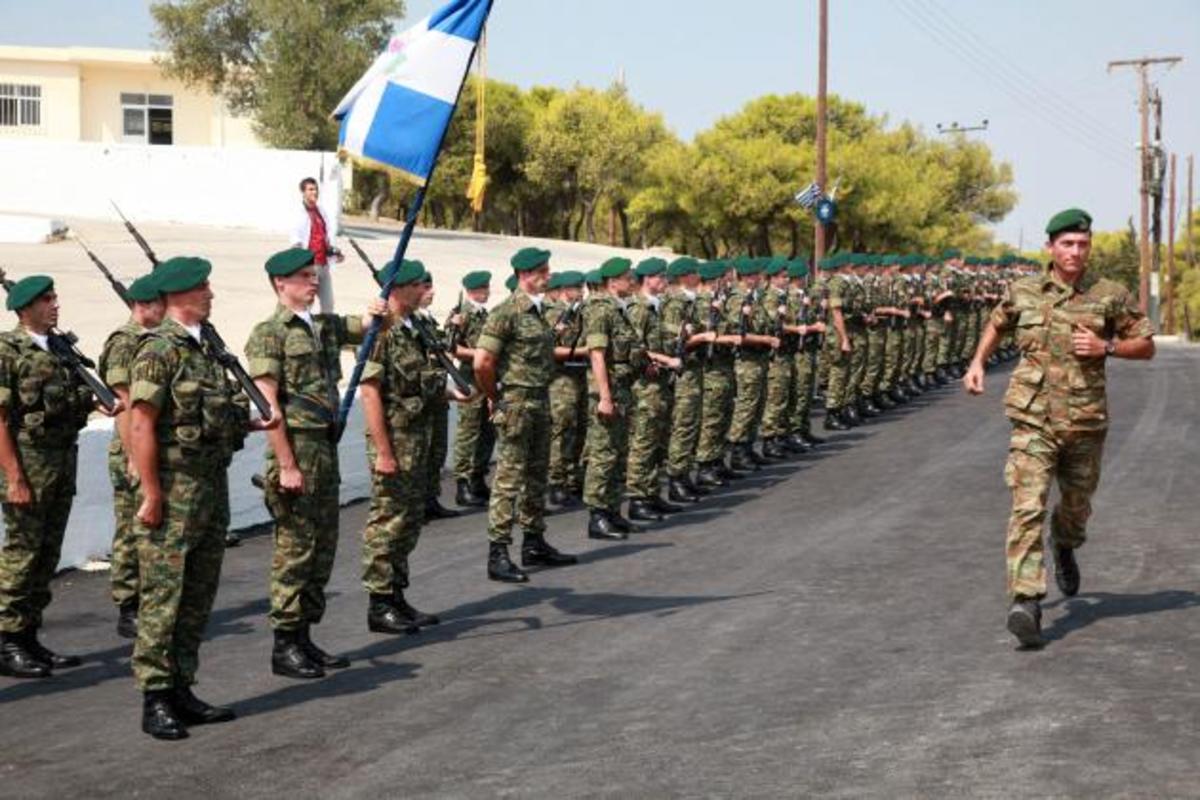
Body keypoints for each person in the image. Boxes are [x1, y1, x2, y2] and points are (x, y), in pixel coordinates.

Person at [964, 208, 1155, 649]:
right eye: (1067, 243)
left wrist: (1108, 346)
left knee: (1076, 504)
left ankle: (1065, 542)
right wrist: (977, 363)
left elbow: (1145, 346)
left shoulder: (1110, 295)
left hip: (1086, 422)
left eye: (1083, 244)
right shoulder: (1024, 291)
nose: (1075, 251)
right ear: (1050, 247)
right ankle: (1025, 601)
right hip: (1033, 419)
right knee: (1026, 504)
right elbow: (997, 323)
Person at [128, 256, 275, 739]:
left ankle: (181, 687)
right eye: (204, 287)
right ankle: (155, 699)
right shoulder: (159, 351)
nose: (211, 293)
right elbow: (140, 424)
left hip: (210, 488)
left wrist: (251, 422)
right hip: (173, 492)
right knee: (164, 597)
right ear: (183, 295)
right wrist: (150, 492)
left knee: (197, 595)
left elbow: (213, 416)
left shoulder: (207, 350)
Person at [245, 247, 381, 678]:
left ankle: (305, 635)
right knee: (295, 549)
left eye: (314, 274)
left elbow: (371, 328)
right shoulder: (270, 332)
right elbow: (267, 404)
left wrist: (381, 311)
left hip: (324, 448)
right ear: (279, 284)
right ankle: (284, 643)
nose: (313, 282)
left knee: (323, 547)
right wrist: (286, 462)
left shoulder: (322, 325)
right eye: (303, 276)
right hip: (298, 451)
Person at [0, 276, 113, 679]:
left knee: (47, 553)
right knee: (22, 555)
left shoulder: (61, 348)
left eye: (55, 297)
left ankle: (29, 636)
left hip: (63, 460)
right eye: (46, 300)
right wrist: (13, 477)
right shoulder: (7, 350)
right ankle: (8, 640)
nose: (55, 305)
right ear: (24, 308)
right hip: (28, 465)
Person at [359, 259, 469, 631]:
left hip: (420, 438)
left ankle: (397, 594)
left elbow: (424, 381)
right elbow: (370, 393)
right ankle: (379, 602)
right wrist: (384, 452)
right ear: (401, 288)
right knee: (388, 522)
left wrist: (453, 393)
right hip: (396, 439)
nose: (425, 290)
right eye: (419, 285)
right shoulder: (382, 331)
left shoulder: (416, 327)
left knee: (408, 522)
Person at [474, 248, 578, 582]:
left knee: (537, 475)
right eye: (542, 271)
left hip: (541, 400)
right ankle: (498, 552)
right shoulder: (506, 312)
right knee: (509, 479)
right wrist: (496, 398)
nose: (548, 276)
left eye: (547, 270)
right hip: (516, 402)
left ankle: (533, 541)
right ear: (523, 275)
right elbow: (482, 362)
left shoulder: (541, 312)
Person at [99, 272, 166, 641]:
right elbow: (122, 404)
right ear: (143, 306)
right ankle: (128, 606)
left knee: (144, 530)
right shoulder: (126, 344)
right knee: (130, 528)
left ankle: (144, 600)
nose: (166, 310)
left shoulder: (152, 340)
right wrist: (132, 456)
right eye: (160, 304)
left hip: (140, 451)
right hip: (128, 451)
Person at [624, 257, 683, 521]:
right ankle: (638, 499)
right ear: (647, 279)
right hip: (645, 386)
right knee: (644, 442)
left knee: (659, 441)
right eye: (660, 277)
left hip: (661, 384)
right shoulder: (638, 308)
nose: (665, 281)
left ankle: (651, 493)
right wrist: (664, 360)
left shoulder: (656, 307)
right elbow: (634, 347)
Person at [450, 270, 495, 508]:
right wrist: (479, 354)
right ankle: (463, 484)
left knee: (487, 430)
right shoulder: (461, 315)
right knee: (469, 431)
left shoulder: (485, 314)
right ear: (469, 291)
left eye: (486, 288)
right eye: (480, 290)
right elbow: (452, 348)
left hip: (486, 376)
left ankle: (478, 478)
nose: (485, 293)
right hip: (468, 377)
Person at [289, 177, 343, 314]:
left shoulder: (321, 211)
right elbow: (296, 240)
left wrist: (334, 252)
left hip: (324, 265)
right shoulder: (298, 213)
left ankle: (325, 333)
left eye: (316, 189)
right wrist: (300, 265)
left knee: (328, 304)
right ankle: (305, 332)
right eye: (311, 189)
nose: (315, 192)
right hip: (310, 267)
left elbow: (325, 238)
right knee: (306, 304)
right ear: (303, 192)